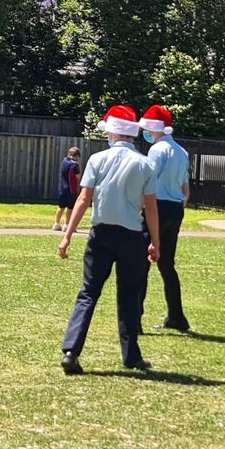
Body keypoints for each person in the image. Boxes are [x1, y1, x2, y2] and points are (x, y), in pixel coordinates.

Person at [58, 106, 162, 375]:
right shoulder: (145, 164)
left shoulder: (97, 159)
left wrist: (68, 235)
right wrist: (155, 242)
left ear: (113, 133)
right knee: (129, 295)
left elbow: (84, 199)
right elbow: (151, 207)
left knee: (88, 293)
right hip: (131, 235)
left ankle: (71, 350)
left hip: (100, 234)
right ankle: (131, 356)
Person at [140, 106, 192, 333]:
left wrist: (140, 205)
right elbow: (186, 188)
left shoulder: (157, 150)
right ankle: (176, 316)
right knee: (167, 264)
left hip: (157, 207)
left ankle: (134, 318)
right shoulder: (181, 152)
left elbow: (148, 182)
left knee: (141, 263)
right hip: (175, 208)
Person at [52, 146, 82, 233]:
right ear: (76, 155)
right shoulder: (75, 165)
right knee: (70, 208)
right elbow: (78, 176)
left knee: (61, 207)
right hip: (71, 189)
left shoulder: (64, 161)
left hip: (62, 187)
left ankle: (56, 224)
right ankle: (67, 225)